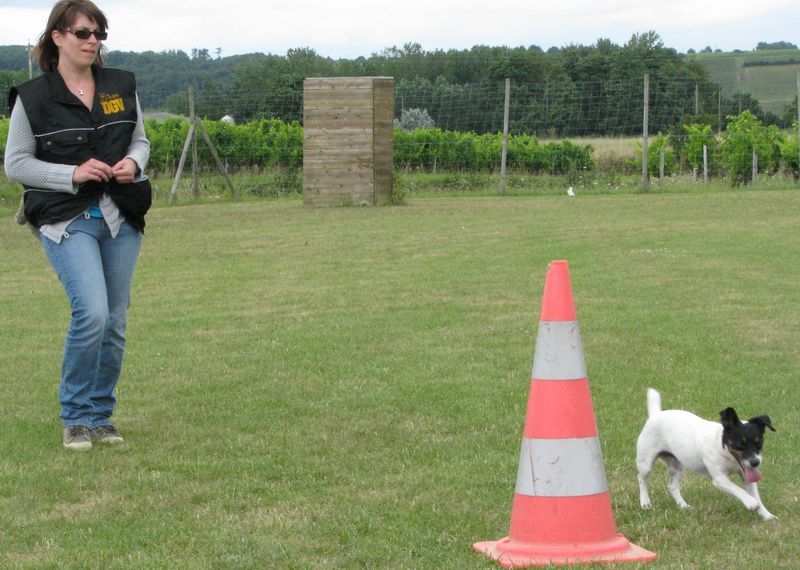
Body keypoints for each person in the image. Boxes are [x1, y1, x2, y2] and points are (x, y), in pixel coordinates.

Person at [4, 0, 151, 451]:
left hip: (119, 216)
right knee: (92, 312)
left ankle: (101, 416)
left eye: (98, 34)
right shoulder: (34, 97)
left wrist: (133, 162)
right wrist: (72, 173)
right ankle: (75, 417)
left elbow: (141, 141)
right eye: (83, 33)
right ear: (58, 37)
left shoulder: (120, 86)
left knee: (115, 321)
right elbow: (16, 164)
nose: (92, 41)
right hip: (66, 218)